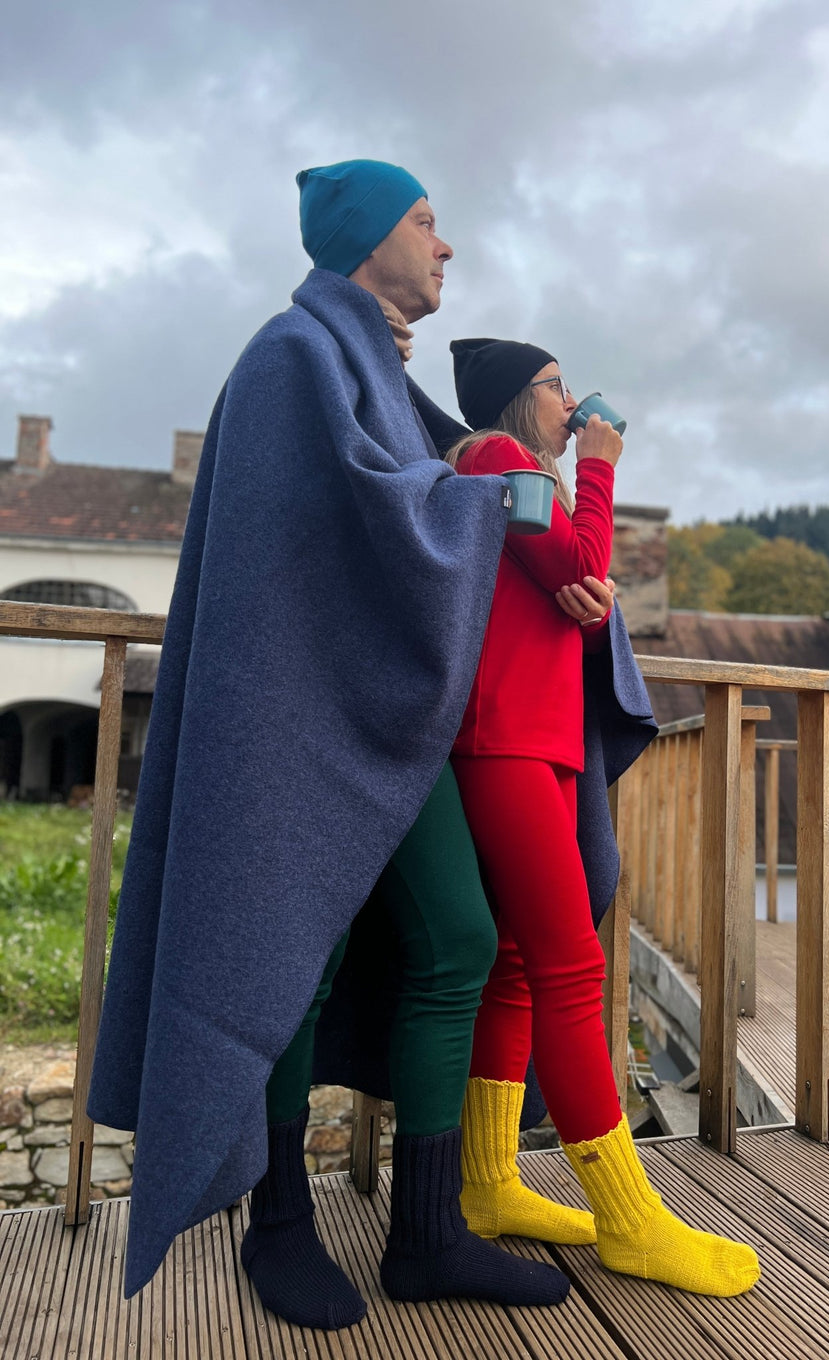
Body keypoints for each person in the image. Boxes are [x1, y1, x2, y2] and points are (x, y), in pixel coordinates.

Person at [87, 161, 576, 1331]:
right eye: (425, 221)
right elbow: (354, 522)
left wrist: (480, 481)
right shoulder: (290, 356)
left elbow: (414, 493)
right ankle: (280, 1223)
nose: (445, 245)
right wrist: (490, 501)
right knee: (289, 959)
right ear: (365, 236)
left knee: (459, 934)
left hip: (387, 725)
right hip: (295, 721)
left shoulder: (378, 374)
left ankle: (427, 1233)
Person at [444, 337, 762, 1299]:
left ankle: (488, 1183)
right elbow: (580, 555)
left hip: (535, 739)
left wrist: (587, 607)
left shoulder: (517, 479)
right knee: (572, 966)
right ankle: (629, 1221)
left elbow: (565, 583)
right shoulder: (498, 459)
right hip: (503, 741)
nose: (573, 403)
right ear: (518, 397)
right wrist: (602, 465)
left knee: (517, 962)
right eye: (558, 388)